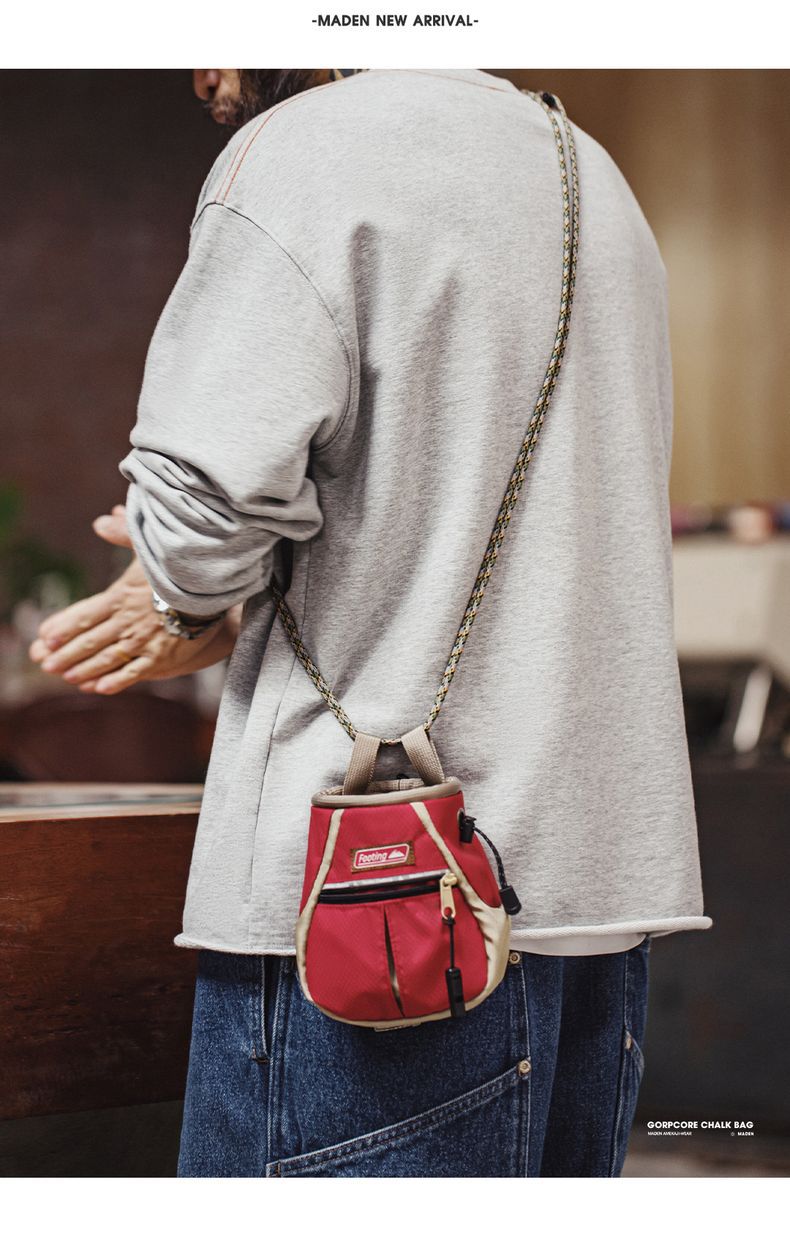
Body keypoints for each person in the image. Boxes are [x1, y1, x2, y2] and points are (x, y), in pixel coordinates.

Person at [30, 67, 712, 1177]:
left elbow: (202, 511)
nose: (200, 71)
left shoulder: (301, 153)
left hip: (371, 906)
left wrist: (184, 592)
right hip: (595, 907)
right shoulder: (589, 171)